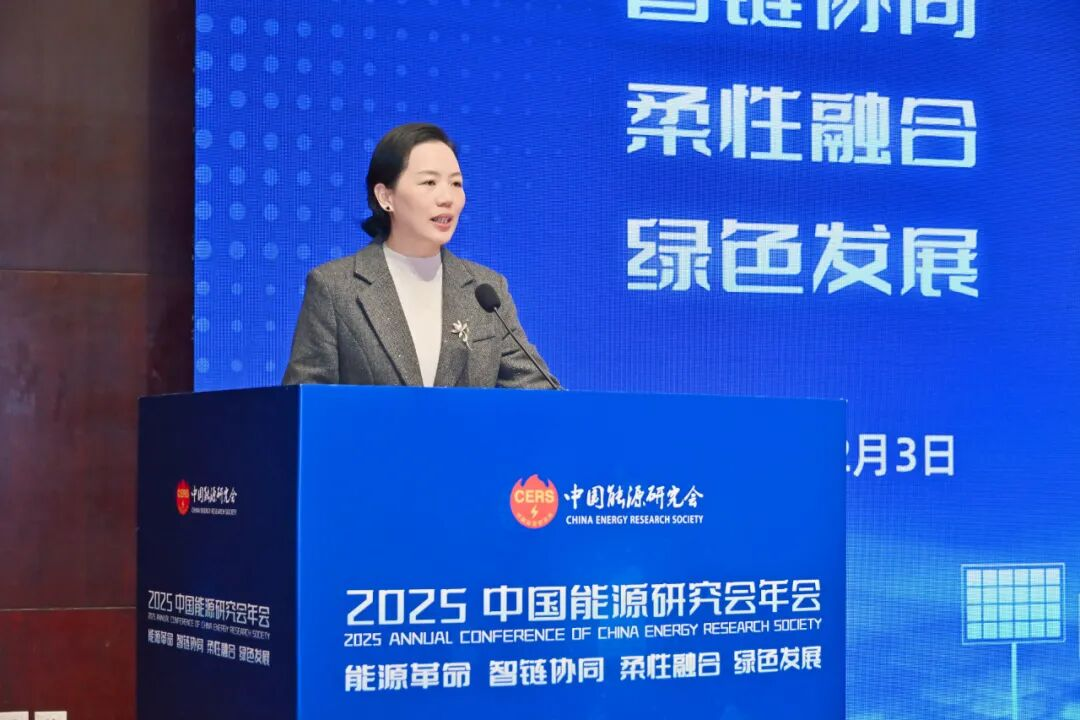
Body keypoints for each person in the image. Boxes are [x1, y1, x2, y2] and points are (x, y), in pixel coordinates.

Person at [282, 122, 558, 389]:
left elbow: (538, 391)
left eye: (456, 183)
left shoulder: (485, 291)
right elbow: (305, 399)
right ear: (385, 197)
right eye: (429, 182)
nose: (447, 198)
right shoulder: (335, 288)